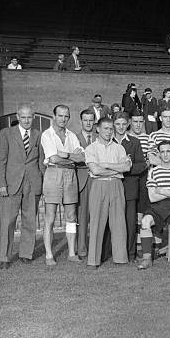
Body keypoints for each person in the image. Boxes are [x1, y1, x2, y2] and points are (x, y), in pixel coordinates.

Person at [0, 104, 44, 269]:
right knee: (8, 221)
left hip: (32, 183)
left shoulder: (38, 135)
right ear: (17, 116)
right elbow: (0, 160)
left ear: (34, 117)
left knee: (30, 220)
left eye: (29, 117)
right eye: (23, 117)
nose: (26, 120)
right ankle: (5, 257)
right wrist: (2, 184)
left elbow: (41, 161)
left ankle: (26, 254)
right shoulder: (6, 133)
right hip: (11, 184)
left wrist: (42, 182)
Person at [40, 105, 84, 266]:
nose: (63, 119)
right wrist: (70, 157)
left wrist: (64, 154)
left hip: (70, 175)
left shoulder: (72, 135)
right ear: (54, 116)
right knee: (50, 217)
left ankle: (72, 253)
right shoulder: (47, 135)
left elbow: (82, 157)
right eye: (60, 116)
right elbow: (53, 159)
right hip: (53, 174)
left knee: (71, 217)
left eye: (66, 116)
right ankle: (49, 255)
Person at [84, 118, 131, 269]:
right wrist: (116, 169)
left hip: (116, 185)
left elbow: (126, 168)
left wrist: (106, 165)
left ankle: (120, 258)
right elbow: (95, 170)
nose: (109, 131)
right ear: (98, 129)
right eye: (105, 128)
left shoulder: (119, 148)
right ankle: (93, 260)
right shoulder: (91, 148)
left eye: (111, 129)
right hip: (99, 186)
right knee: (97, 222)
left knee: (118, 222)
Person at [138, 140, 170, 270]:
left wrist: (161, 190)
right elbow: (152, 197)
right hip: (157, 206)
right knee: (145, 221)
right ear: (159, 154)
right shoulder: (154, 172)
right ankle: (147, 259)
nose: (165, 154)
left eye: (168, 151)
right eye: (162, 152)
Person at [113, 113, 147, 263]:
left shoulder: (134, 142)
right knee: (112, 222)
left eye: (123, 124)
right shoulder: (108, 142)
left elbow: (142, 165)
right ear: (113, 125)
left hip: (129, 188)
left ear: (128, 125)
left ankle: (130, 252)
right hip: (112, 186)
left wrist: (128, 167)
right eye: (117, 124)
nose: (120, 127)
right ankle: (112, 252)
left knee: (129, 221)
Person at [75, 109, 97, 259]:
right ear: (81, 121)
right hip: (81, 180)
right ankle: (81, 249)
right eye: (85, 120)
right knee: (82, 217)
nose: (88, 123)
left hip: (98, 179)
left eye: (91, 120)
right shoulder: (73, 138)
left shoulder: (100, 137)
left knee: (97, 216)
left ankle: (97, 248)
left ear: (94, 121)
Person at [129, 112, 151, 248]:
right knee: (131, 212)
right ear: (130, 122)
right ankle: (132, 243)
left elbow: (151, 159)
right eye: (135, 121)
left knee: (142, 211)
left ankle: (141, 244)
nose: (138, 125)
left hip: (144, 177)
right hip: (129, 178)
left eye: (140, 122)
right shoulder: (125, 137)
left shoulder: (148, 138)